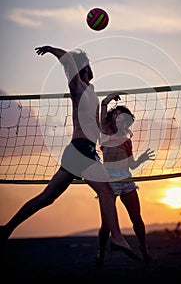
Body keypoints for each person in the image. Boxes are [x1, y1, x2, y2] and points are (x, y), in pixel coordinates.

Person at [0, 46, 140, 261]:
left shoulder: (91, 90)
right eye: (86, 64)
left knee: (46, 198)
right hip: (81, 150)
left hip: (82, 151)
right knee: (106, 192)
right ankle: (117, 237)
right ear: (84, 67)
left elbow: (99, 130)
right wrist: (51, 50)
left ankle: (6, 228)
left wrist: (106, 104)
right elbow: (67, 61)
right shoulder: (77, 87)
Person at [96, 93, 155, 269]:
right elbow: (104, 105)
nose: (118, 117)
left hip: (127, 181)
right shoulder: (105, 132)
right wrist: (110, 98)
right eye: (115, 115)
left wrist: (142, 159)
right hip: (109, 183)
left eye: (121, 115)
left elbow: (132, 164)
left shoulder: (127, 141)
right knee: (106, 225)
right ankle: (101, 253)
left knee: (137, 219)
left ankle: (144, 250)